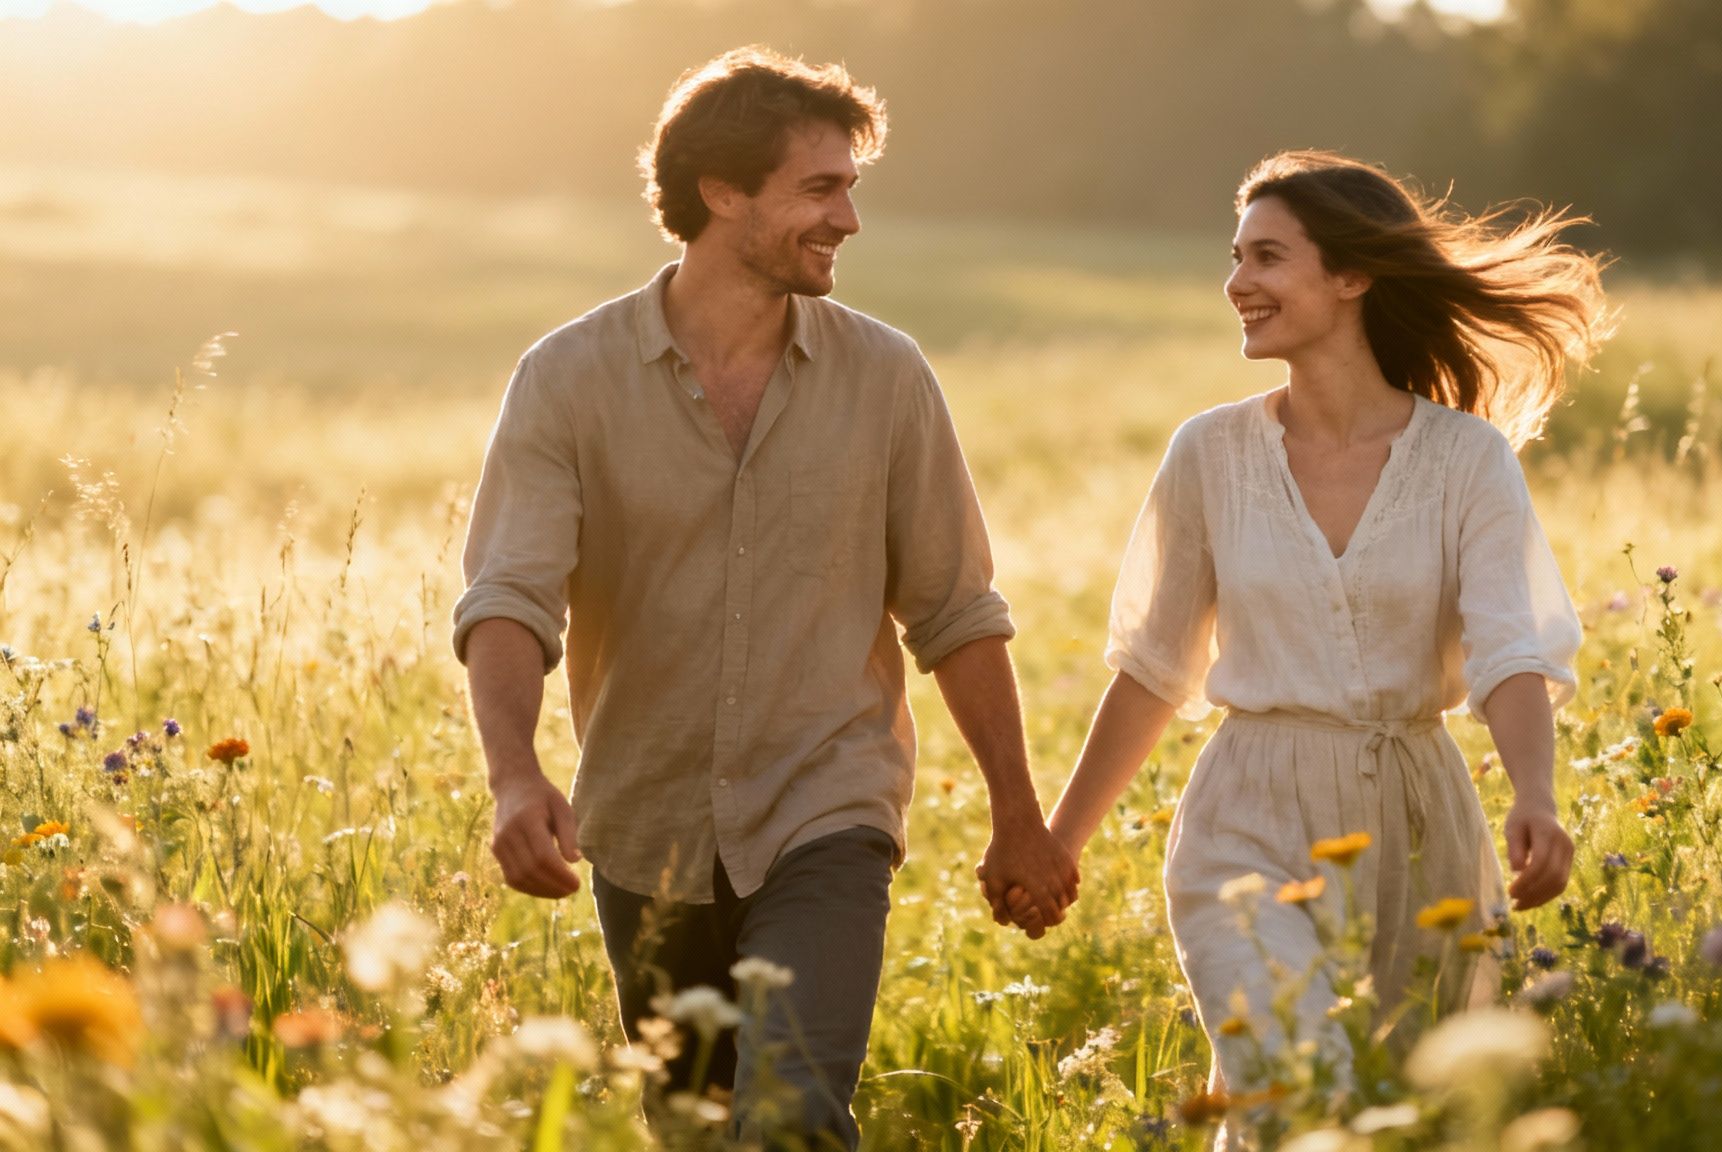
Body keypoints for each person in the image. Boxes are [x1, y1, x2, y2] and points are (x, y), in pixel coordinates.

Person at [452, 46, 1077, 1148]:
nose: (848, 219)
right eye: (819, 188)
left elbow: (955, 611)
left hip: (827, 811)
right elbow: (509, 594)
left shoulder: (886, 378)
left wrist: (1017, 817)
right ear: (722, 192)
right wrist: (513, 776)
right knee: (694, 1128)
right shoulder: (568, 377)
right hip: (643, 826)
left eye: (850, 189)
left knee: (789, 1112)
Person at [993, 150, 1607, 1117]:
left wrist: (1536, 792)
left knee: (1402, 1112)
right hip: (1248, 818)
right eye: (1235, 258)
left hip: (1416, 822)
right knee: (1291, 1087)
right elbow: (1153, 668)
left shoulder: (1466, 460)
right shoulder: (1210, 452)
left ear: (1352, 275)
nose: (1237, 283)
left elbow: (1509, 648)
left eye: (1268, 257)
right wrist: (1057, 844)